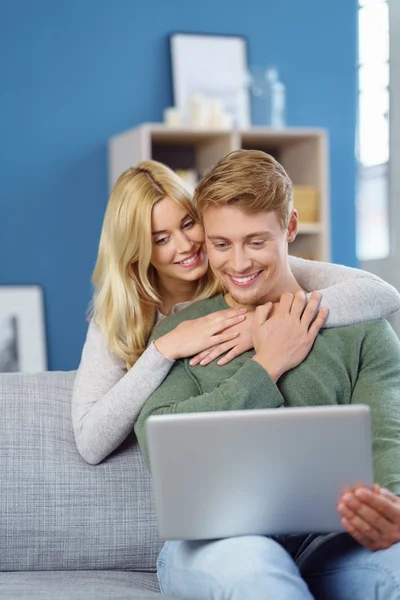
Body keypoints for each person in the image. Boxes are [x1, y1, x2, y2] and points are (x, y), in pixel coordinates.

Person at [135, 150, 400, 600]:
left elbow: (388, 443)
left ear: (290, 227)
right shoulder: (184, 330)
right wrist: (267, 365)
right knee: (257, 572)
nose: (238, 265)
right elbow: (157, 436)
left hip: (333, 545)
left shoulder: (363, 329)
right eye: (221, 245)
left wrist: (390, 508)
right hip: (216, 543)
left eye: (256, 242)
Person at [73, 160, 400, 466]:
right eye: (161, 239)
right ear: (137, 251)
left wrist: (267, 319)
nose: (186, 245)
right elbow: (94, 441)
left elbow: (380, 294)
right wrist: (163, 350)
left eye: (189, 224)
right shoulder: (121, 320)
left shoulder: (243, 268)